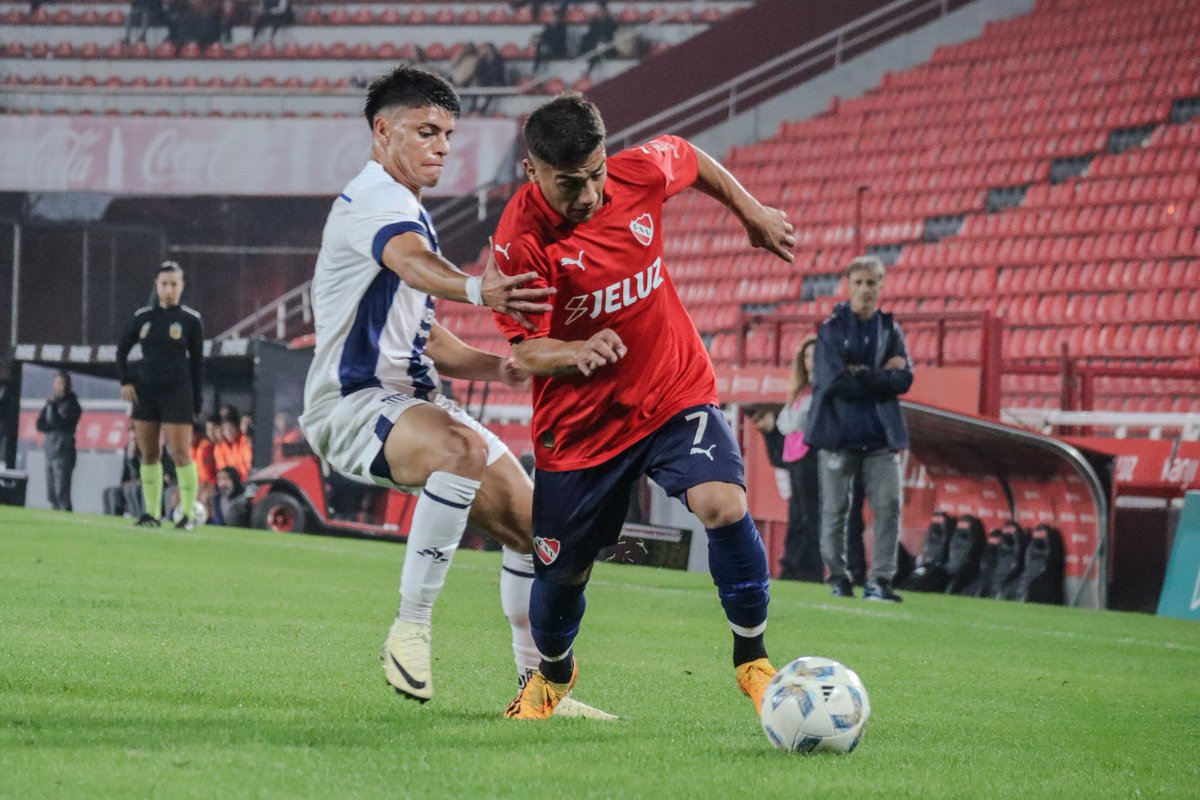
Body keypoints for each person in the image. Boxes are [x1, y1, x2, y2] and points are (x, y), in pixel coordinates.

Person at [298, 66, 609, 718]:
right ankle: (409, 629)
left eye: (448, 133)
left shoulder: (405, 206)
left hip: (411, 398)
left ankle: (538, 698)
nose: (441, 145)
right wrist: (478, 288)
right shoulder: (375, 201)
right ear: (382, 132)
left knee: (536, 531)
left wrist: (496, 368)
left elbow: (422, 334)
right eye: (426, 131)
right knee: (461, 451)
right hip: (351, 401)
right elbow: (412, 263)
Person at [490, 94, 796, 719]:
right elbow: (525, 353)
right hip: (582, 431)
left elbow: (687, 156)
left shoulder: (636, 172)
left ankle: (753, 659)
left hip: (671, 389)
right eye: (571, 184)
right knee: (562, 576)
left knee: (723, 502)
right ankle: (553, 673)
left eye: (597, 173)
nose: (591, 194)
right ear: (534, 172)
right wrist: (574, 350)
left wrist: (751, 211)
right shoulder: (519, 245)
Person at [805, 255, 912, 602]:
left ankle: (879, 581)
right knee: (835, 513)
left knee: (889, 506)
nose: (865, 289)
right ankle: (838, 577)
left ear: (881, 286)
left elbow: (905, 378)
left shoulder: (890, 329)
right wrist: (882, 376)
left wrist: (862, 372)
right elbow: (832, 381)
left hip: (881, 436)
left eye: (872, 283)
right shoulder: (831, 329)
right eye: (859, 283)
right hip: (838, 436)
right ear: (848, 286)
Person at [116, 261, 205, 530]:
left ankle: (187, 515)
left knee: (179, 452)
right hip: (146, 392)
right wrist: (126, 380)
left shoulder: (190, 320)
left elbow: (197, 363)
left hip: (177, 391)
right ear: (156, 285)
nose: (169, 289)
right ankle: (152, 514)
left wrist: (197, 398)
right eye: (164, 284)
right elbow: (121, 351)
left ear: (181, 287)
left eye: (174, 285)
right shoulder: (143, 317)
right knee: (149, 454)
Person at [751, 335, 822, 582]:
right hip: (796, 456)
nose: (811, 361)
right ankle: (791, 568)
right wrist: (780, 426)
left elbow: (795, 421)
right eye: (807, 356)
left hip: (811, 457)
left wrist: (786, 423)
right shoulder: (802, 390)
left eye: (814, 355)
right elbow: (786, 423)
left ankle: (810, 570)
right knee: (796, 515)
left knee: (810, 516)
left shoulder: (821, 389)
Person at [36, 371, 82, 512]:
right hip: (50, 450)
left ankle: (66, 515)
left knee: (61, 490)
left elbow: (61, 424)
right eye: (58, 383)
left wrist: (53, 409)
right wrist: (50, 407)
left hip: (63, 451)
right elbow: (40, 424)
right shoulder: (50, 403)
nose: (60, 386)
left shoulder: (72, 404)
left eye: (63, 383)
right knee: (51, 492)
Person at [214, 410, 252, 482]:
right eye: (225, 429)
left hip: (248, 480)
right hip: (232, 484)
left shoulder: (245, 441)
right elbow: (222, 470)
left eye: (231, 428)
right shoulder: (220, 447)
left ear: (238, 428)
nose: (229, 432)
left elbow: (249, 466)